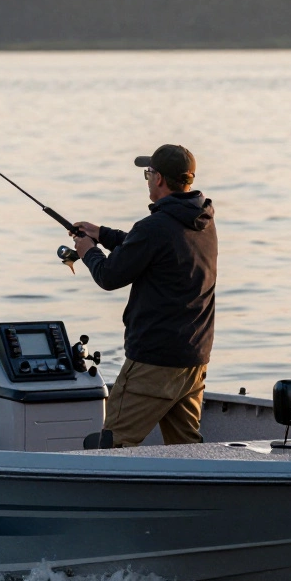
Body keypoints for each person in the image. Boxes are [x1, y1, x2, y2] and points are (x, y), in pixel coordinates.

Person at [71, 144, 217, 446]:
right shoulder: (202, 221)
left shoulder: (155, 228)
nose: (148, 179)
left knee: (112, 447)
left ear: (160, 179)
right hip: (193, 360)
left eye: (148, 173)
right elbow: (151, 250)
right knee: (186, 450)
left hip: (153, 362)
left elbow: (109, 276)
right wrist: (104, 234)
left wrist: (88, 252)